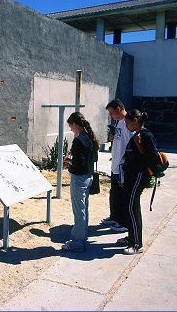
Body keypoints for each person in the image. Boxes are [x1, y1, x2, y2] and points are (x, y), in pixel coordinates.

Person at [121, 110, 159, 255]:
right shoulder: (137, 135)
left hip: (138, 176)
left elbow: (153, 157)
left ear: (135, 120)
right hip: (131, 176)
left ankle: (137, 244)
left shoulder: (145, 135)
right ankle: (131, 237)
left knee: (132, 207)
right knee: (129, 206)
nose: (126, 126)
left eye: (127, 123)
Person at [62, 112, 99, 252]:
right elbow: (93, 158)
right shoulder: (90, 137)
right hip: (88, 177)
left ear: (75, 124)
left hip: (79, 178)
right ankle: (82, 236)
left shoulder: (78, 140)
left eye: (71, 126)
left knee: (79, 211)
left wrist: (69, 162)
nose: (71, 129)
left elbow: (78, 163)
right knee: (84, 209)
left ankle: (77, 242)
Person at [103, 99, 134, 233]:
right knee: (114, 194)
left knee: (122, 195)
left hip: (123, 166)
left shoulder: (128, 123)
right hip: (115, 165)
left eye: (111, 113)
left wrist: (126, 161)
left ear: (118, 109)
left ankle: (123, 222)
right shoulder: (119, 122)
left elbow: (132, 143)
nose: (111, 116)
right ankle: (115, 217)